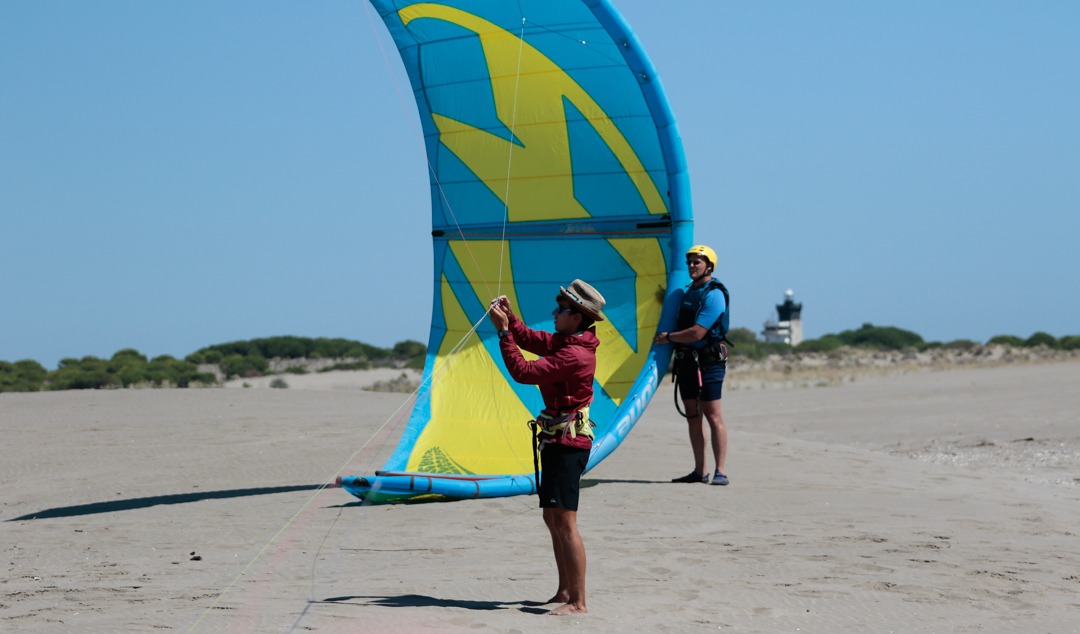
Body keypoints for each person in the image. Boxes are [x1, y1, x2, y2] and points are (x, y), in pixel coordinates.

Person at [487, 279, 605, 616]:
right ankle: (564, 589)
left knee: (566, 522)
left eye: (561, 309)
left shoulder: (574, 354)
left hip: (570, 444)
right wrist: (511, 320)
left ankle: (578, 603)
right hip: (556, 440)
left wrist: (503, 334)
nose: (554, 313)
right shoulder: (564, 341)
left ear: (577, 317)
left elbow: (523, 372)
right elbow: (530, 338)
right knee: (552, 518)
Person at [653, 245, 732, 486]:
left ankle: (721, 471)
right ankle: (700, 471)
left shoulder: (714, 293)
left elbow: (698, 332)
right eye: (689, 262)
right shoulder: (687, 292)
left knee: (713, 415)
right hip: (686, 362)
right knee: (692, 417)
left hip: (709, 362)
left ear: (709, 266)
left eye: (697, 262)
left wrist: (668, 337)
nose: (691, 267)